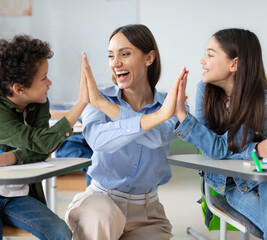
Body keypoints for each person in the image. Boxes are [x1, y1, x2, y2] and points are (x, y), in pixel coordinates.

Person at [0, 34, 89, 240]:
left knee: (61, 233)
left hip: (18, 197)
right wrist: (81, 104)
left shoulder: (40, 105)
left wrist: (8, 158)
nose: (50, 83)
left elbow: (44, 147)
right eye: (43, 78)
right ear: (19, 88)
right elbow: (39, 141)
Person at [65, 24, 188, 240]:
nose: (116, 63)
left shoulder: (170, 104)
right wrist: (101, 103)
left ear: (149, 58)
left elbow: (159, 137)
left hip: (148, 212)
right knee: (102, 217)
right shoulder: (98, 97)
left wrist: (106, 107)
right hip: (100, 202)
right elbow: (97, 140)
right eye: (111, 56)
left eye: (125, 54)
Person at [174, 28, 267, 239]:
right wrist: (254, 149)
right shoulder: (205, 90)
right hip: (229, 183)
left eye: (210, 54)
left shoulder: (265, 104)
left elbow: (218, 146)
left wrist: (254, 150)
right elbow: (209, 150)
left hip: (262, 177)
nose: (202, 60)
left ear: (234, 64)